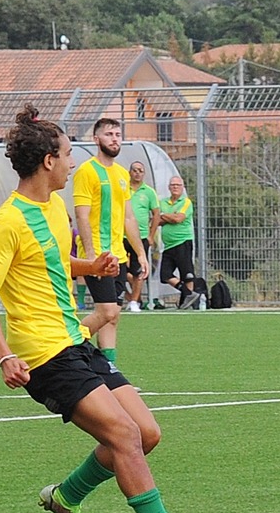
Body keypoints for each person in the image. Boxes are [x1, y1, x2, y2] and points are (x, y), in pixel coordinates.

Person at [0, 105, 224, 513]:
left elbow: (52, 263)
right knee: (125, 434)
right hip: (44, 357)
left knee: (146, 433)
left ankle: (66, 497)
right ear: (48, 161)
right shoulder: (6, 221)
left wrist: (92, 266)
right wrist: (4, 356)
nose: (72, 163)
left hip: (74, 341)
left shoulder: (50, 207)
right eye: (68, 155)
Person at [71, 116, 146, 367]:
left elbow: (129, 217)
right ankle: (62, 346)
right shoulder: (86, 171)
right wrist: (91, 254)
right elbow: (81, 214)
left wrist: (140, 254)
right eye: (109, 135)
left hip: (118, 255)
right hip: (98, 257)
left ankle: (108, 367)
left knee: (113, 317)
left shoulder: (122, 175)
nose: (114, 139)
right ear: (96, 139)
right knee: (107, 312)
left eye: (117, 135)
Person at [153, 177, 202, 309]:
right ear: (169, 187)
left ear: (182, 187)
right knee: (165, 274)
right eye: (172, 185)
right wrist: (168, 215)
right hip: (169, 245)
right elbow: (157, 220)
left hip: (183, 242)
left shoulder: (186, 202)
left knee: (187, 274)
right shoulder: (163, 202)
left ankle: (187, 303)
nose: (175, 187)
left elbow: (178, 219)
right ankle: (188, 294)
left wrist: (165, 215)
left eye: (178, 185)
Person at [126, 162, 159, 312]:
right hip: (122, 235)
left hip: (141, 237)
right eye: (135, 170)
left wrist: (151, 236)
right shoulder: (123, 188)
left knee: (139, 270)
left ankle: (134, 301)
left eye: (141, 171)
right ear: (130, 172)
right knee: (118, 269)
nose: (138, 173)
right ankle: (127, 296)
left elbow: (156, 215)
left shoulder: (149, 192)